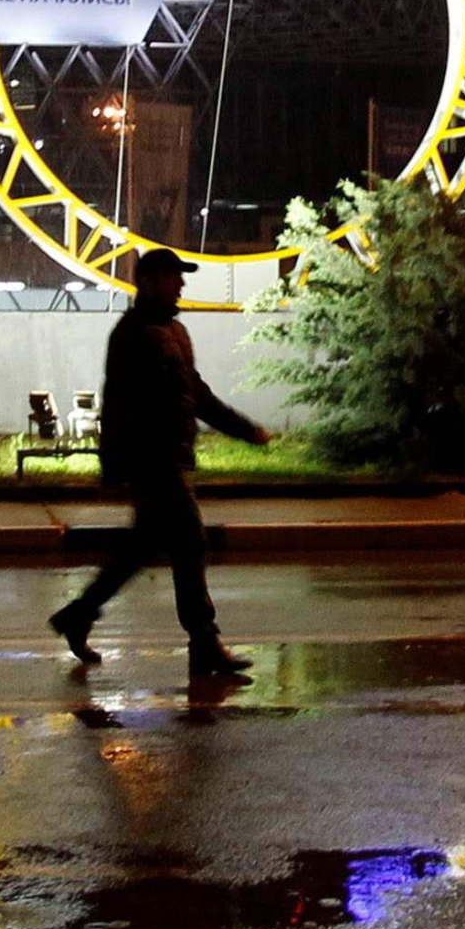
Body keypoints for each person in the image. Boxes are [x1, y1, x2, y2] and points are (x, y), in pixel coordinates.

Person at [48, 248, 269, 680]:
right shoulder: (133, 333)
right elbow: (124, 406)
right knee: (190, 542)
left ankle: (79, 614)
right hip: (153, 460)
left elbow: (197, 395)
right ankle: (204, 642)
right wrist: (123, 463)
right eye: (173, 277)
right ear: (149, 281)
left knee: (141, 548)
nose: (181, 284)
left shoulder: (173, 331)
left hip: (167, 457)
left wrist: (244, 429)